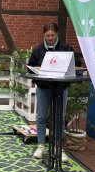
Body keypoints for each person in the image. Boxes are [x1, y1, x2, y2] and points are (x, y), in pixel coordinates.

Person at [27, 22, 80, 163]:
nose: (50, 38)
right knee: (42, 116)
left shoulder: (66, 48)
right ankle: (41, 145)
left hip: (61, 88)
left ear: (57, 34)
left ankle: (58, 146)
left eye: (52, 35)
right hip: (43, 88)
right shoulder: (38, 50)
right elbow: (30, 66)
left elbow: (76, 64)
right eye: (47, 35)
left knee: (60, 118)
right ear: (43, 35)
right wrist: (36, 68)